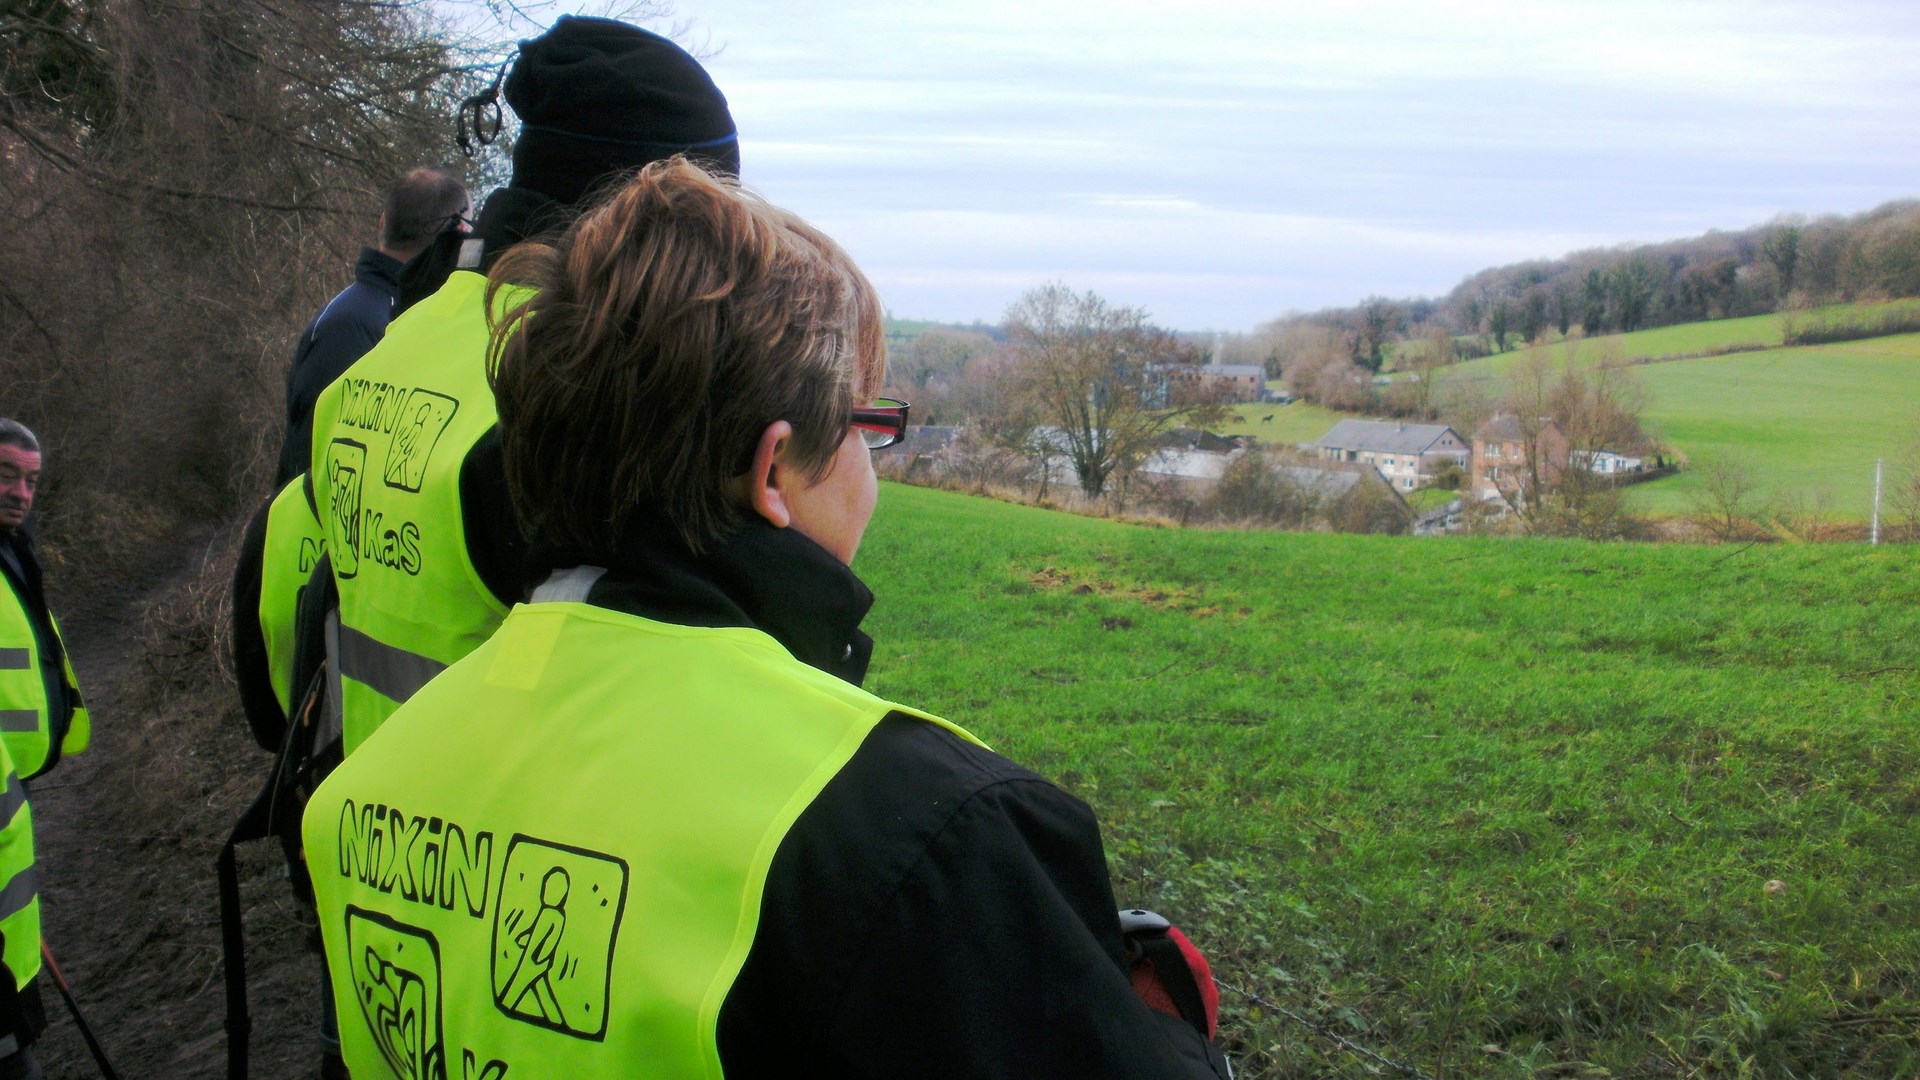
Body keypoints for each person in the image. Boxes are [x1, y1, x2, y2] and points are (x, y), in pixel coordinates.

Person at [302, 159, 1231, 1078]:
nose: (873, 473)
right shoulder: (928, 836)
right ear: (775, 470)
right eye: (868, 429)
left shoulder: (360, 793)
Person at [303, 14, 741, 759]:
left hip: (362, 808)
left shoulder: (387, 351)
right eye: (713, 215)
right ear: (650, 218)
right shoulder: (581, 394)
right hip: (501, 816)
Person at [274, 166, 471, 485]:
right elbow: (315, 468)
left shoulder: (374, 315)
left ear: (382, 222)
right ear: (458, 234)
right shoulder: (354, 326)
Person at [0, 419, 89, 1080]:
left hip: (14, 789)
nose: (20, 492)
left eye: (31, 480)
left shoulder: (15, 552)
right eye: (6, 474)